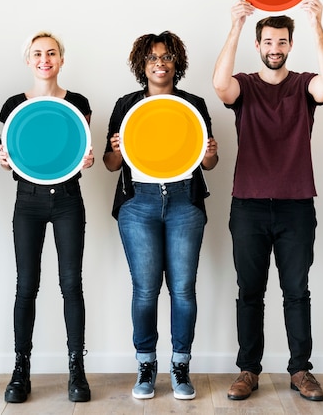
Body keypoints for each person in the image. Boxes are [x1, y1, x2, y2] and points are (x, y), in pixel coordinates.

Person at [212, 0, 323, 402]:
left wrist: (317, 23)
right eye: (268, 42)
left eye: (281, 42)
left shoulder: (303, 84)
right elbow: (220, 85)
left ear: (290, 45)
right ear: (258, 45)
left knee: (296, 291)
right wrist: (234, 25)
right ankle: (248, 369)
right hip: (248, 205)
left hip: (296, 205)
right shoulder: (245, 85)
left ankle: (301, 370)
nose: (275, 49)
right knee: (250, 291)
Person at [103, 31, 218, 400]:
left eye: (167, 57)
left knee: (183, 290)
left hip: (185, 201)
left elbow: (209, 163)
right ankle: (147, 365)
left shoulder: (194, 104)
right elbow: (109, 165)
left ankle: (181, 365)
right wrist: (116, 149)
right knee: (146, 290)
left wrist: (210, 152)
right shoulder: (126, 105)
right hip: (138, 204)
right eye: (152, 58)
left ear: (176, 64)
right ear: (142, 64)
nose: (159, 63)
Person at [0, 32, 94, 403]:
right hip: (28, 201)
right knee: (27, 285)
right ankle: (21, 370)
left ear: (61, 59)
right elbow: (14, 154)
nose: (44, 59)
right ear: (28, 60)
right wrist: (5, 161)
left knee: (71, 284)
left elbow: (76, 150)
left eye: (51, 52)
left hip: (68, 199)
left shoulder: (78, 103)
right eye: (37, 53)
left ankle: (76, 370)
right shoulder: (13, 106)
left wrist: (86, 159)